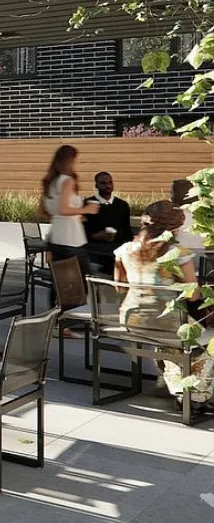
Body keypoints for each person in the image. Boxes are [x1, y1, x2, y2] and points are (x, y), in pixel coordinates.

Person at [114, 200, 212, 408]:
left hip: (131, 319)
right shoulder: (178, 253)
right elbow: (193, 295)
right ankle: (194, 396)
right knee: (207, 342)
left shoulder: (125, 250)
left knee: (169, 342)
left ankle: (177, 385)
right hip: (167, 323)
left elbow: (120, 288)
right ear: (173, 229)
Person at [40, 145, 98, 277]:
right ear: (70, 161)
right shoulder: (68, 181)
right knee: (82, 280)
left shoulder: (51, 182)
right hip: (72, 238)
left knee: (61, 281)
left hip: (55, 237)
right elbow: (64, 209)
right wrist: (86, 209)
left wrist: (77, 215)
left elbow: (48, 210)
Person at [85, 172, 132, 273]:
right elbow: (82, 229)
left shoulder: (122, 205)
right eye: (103, 183)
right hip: (94, 252)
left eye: (110, 182)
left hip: (116, 252)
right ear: (96, 185)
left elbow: (127, 230)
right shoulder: (88, 204)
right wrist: (95, 236)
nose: (108, 186)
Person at [170, 179, 208, 252]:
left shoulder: (170, 217)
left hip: (178, 255)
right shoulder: (205, 217)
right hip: (201, 256)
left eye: (171, 193)